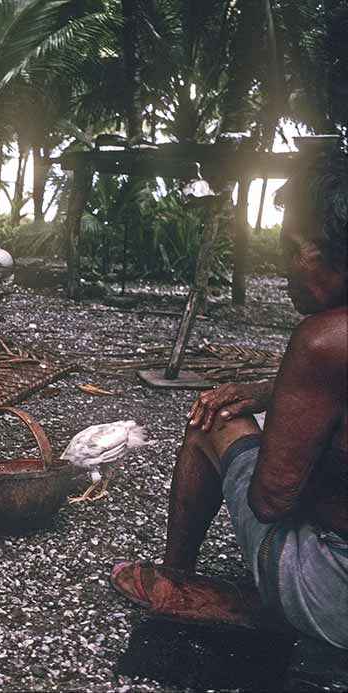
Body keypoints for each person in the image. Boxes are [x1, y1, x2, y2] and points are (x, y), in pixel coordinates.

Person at [110, 149, 348, 649]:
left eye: (293, 249)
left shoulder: (324, 340)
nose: (283, 267)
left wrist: (283, 432)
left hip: (335, 598)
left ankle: (173, 583)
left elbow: (271, 499)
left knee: (212, 421)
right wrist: (265, 392)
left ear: (333, 251)